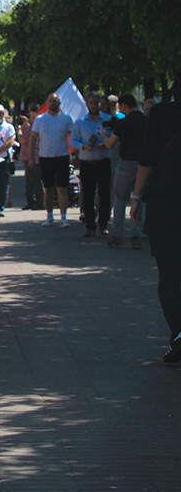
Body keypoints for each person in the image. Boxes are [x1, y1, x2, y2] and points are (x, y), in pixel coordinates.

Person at [131, 92, 181, 363]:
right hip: (168, 201)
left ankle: (178, 333)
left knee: (170, 272)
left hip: (168, 202)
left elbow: (147, 158)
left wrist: (136, 197)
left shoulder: (162, 114)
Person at [103, 94, 146, 249]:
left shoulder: (123, 123)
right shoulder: (146, 121)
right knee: (139, 199)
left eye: (121, 107)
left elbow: (110, 144)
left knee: (120, 198)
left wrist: (103, 137)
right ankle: (137, 234)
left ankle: (117, 234)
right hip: (143, 164)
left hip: (126, 163)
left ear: (125, 106)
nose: (120, 110)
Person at [30, 92, 75, 228]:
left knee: (62, 188)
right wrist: (31, 157)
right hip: (45, 157)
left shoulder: (66, 119)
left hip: (62, 156)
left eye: (55, 101)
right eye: (50, 100)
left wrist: (75, 154)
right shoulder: (40, 119)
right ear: (47, 103)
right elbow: (33, 139)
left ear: (59, 103)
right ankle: (49, 216)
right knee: (48, 188)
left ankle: (63, 217)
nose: (52, 103)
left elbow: (72, 137)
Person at [71, 92, 112, 236]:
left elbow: (116, 138)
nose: (95, 105)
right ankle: (90, 225)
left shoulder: (107, 120)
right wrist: (83, 146)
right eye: (92, 103)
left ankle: (103, 223)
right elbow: (73, 141)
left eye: (97, 103)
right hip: (87, 161)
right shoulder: (80, 122)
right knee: (88, 194)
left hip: (103, 161)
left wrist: (107, 143)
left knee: (104, 193)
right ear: (87, 104)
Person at [20, 106, 43, 210]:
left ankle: (39, 202)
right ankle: (30, 202)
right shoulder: (29, 126)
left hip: (36, 156)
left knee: (36, 181)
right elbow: (23, 140)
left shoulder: (38, 127)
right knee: (29, 181)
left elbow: (25, 140)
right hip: (27, 156)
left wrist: (19, 130)